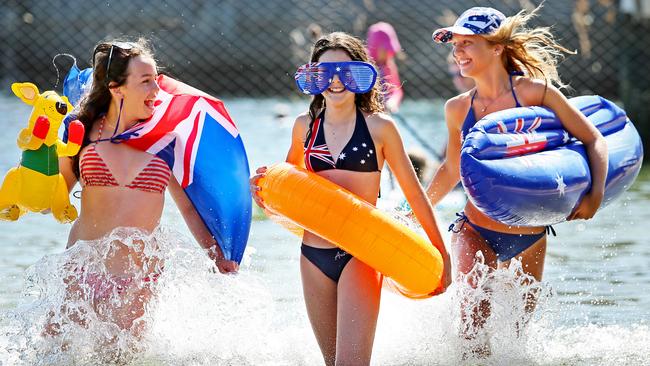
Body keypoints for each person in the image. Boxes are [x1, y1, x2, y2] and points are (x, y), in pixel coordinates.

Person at [250, 32, 450, 365]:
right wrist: (263, 190)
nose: (335, 80)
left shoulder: (379, 128)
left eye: (344, 71)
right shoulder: (305, 126)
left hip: (361, 255)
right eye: (325, 72)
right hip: (314, 257)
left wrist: (440, 252)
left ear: (360, 75)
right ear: (314, 77)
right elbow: (288, 184)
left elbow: (414, 194)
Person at [427, 6, 608, 355]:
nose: (458, 52)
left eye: (468, 43)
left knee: (515, 342)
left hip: (529, 234)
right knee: (471, 334)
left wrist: (595, 194)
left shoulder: (534, 93)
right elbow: (451, 169)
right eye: (455, 45)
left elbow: (592, 139)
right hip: (475, 227)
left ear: (496, 47)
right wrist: (411, 208)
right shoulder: (457, 108)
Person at [51, 38, 238, 336]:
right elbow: (56, 192)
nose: (156, 91)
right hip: (82, 270)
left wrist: (216, 254)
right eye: (146, 81)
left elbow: (189, 207)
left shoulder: (166, 139)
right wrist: (35, 163)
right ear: (116, 87)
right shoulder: (81, 130)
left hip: (139, 279)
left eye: (156, 80)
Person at [367, 22, 403, 113]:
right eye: (383, 49)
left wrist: (393, 102)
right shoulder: (365, 65)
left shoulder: (388, 66)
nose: (386, 53)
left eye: (389, 49)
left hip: (384, 111)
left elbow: (397, 90)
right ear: (374, 47)